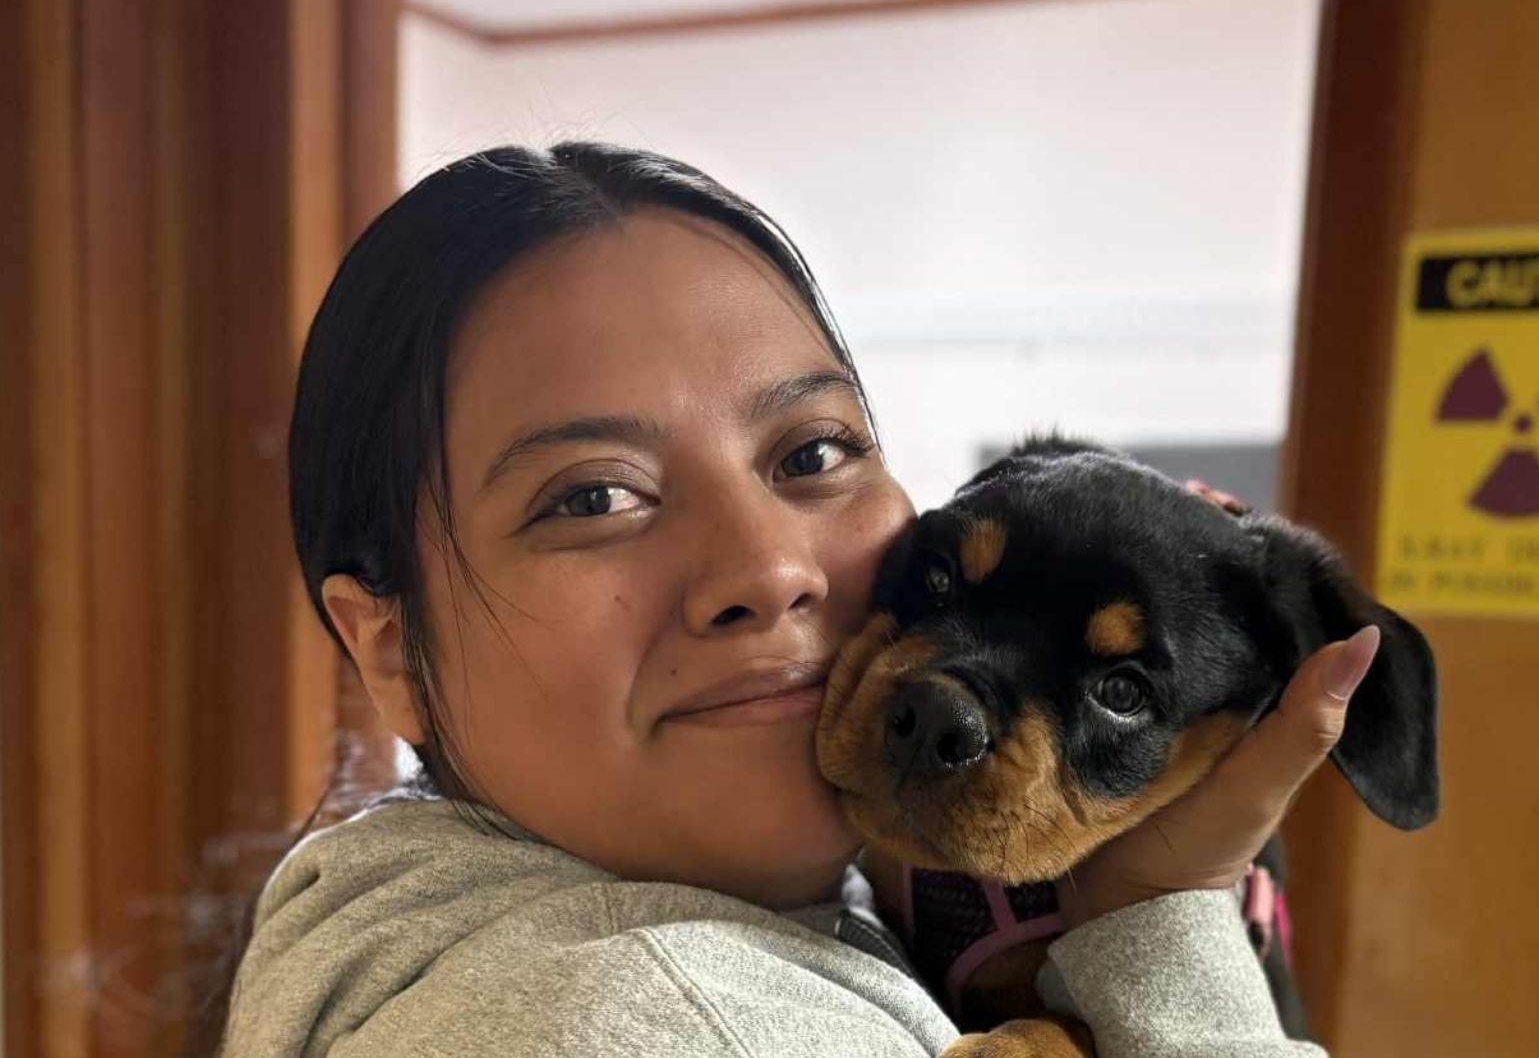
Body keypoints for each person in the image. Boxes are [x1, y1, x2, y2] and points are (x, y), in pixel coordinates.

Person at [219, 142, 1370, 1057]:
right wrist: (1172, 927)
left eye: (813, 453)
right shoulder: (652, 1017)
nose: (769, 570)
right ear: (391, 652)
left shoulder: (396, 918)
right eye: (593, 497)